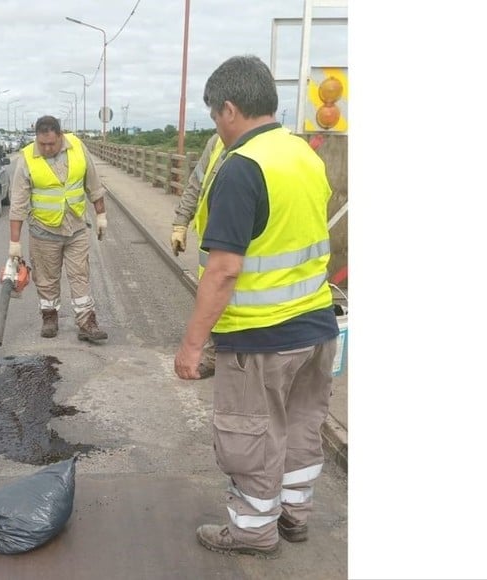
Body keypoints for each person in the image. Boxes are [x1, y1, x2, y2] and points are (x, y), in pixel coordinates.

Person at [174, 55, 339, 559]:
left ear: (228, 109)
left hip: (262, 337)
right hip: (316, 326)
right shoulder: (303, 155)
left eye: (213, 116)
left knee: (252, 436)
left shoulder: (242, 167)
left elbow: (223, 270)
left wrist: (192, 344)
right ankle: (294, 515)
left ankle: (251, 531)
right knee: (302, 426)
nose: (216, 128)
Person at [8, 115, 109, 343]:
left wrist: (101, 215)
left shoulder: (77, 147)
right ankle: (49, 317)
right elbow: (18, 204)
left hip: (76, 228)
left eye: (51, 143)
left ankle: (86, 322)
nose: (46, 148)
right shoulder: (27, 158)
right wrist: (14, 243)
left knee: (79, 275)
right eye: (41, 144)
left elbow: (93, 184)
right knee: (46, 279)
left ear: (60, 136)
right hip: (44, 231)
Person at [170, 132, 225, 379]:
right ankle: (214, 354)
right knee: (212, 294)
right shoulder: (217, 142)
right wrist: (181, 223)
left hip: (253, 240)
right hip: (214, 238)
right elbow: (196, 184)